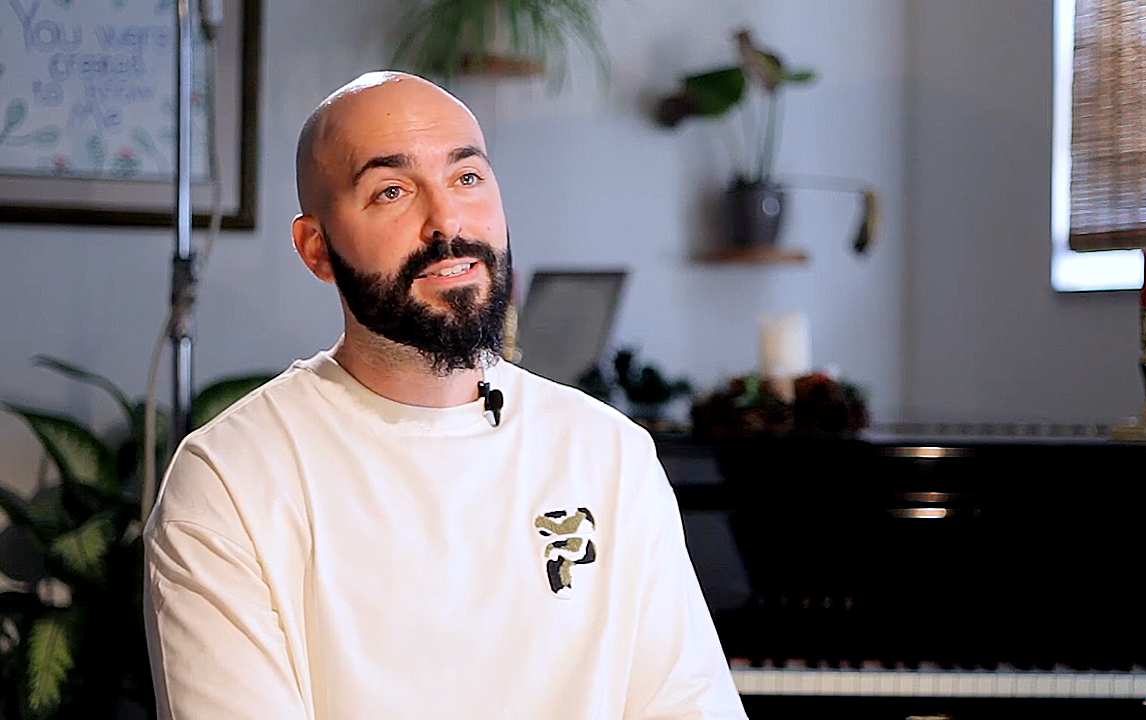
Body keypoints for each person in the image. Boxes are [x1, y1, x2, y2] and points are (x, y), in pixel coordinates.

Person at [142, 71, 748, 720]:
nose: (447, 221)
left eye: (466, 177)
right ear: (316, 248)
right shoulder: (231, 483)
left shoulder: (610, 454)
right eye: (392, 191)